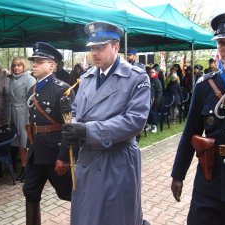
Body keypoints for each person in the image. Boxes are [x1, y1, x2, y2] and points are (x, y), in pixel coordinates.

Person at [62, 21, 151, 225]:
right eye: (92, 48)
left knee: (116, 217)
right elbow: (76, 110)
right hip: (88, 158)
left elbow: (134, 121)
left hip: (116, 160)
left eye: (100, 47)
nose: (95, 53)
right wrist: (72, 125)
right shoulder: (87, 77)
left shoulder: (136, 77)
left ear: (116, 47)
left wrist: (87, 130)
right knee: (87, 216)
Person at [171, 12, 225, 225]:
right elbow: (190, 132)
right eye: (221, 42)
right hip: (208, 182)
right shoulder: (205, 86)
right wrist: (178, 174)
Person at [23, 42, 75, 225]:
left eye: (39, 61)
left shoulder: (63, 89)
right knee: (30, 191)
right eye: (33, 61)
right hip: (36, 151)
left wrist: (64, 157)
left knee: (69, 193)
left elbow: (70, 127)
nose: (34, 64)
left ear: (52, 65)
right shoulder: (33, 90)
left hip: (55, 153)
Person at [10, 57, 36, 183]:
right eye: (14, 65)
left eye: (19, 65)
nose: (16, 68)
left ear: (24, 66)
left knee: (26, 143)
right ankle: (24, 167)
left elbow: (31, 102)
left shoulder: (29, 79)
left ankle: (29, 170)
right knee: (20, 144)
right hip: (14, 113)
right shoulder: (11, 79)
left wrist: (28, 120)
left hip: (24, 113)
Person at [146, 66, 162, 133]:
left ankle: (154, 126)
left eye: (152, 72)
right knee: (148, 113)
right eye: (150, 72)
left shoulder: (157, 81)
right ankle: (148, 125)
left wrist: (156, 101)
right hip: (147, 99)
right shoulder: (148, 80)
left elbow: (159, 92)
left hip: (154, 100)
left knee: (153, 113)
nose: (151, 73)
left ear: (155, 73)